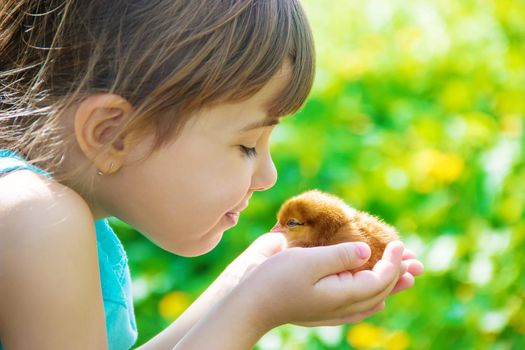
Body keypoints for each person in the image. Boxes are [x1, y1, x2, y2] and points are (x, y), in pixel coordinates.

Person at [0, 0, 424, 349]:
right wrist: (255, 308)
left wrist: (240, 288)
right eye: (246, 145)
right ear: (114, 134)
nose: (268, 176)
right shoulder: (39, 219)